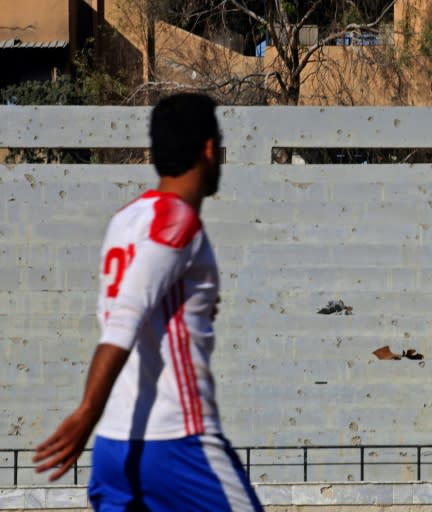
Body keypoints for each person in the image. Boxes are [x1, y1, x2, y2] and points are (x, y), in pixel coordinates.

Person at [33, 93, 264, 512]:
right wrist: (86, 411)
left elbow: (141, 305)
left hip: (113, 449)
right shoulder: (178, 220)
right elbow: (125, 318)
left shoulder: (124, 221)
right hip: (177, 442)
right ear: (210, 149)